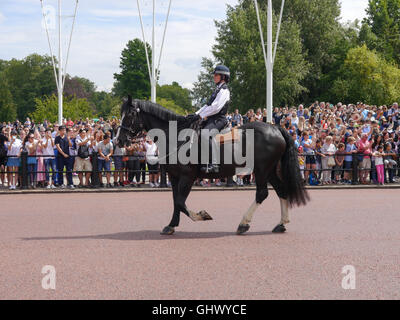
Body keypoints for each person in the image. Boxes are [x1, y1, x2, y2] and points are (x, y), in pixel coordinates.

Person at [188, 65, 231, 173]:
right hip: (212, 119)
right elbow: (207, 105)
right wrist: (195, 114)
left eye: (216, 75)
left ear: (223, 77)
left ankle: (214, 163)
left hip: (219, 120)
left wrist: (200, 116)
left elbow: (216, 108)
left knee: (205, 134)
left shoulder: (224, 90)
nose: (214, 76)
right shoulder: (217, 90)